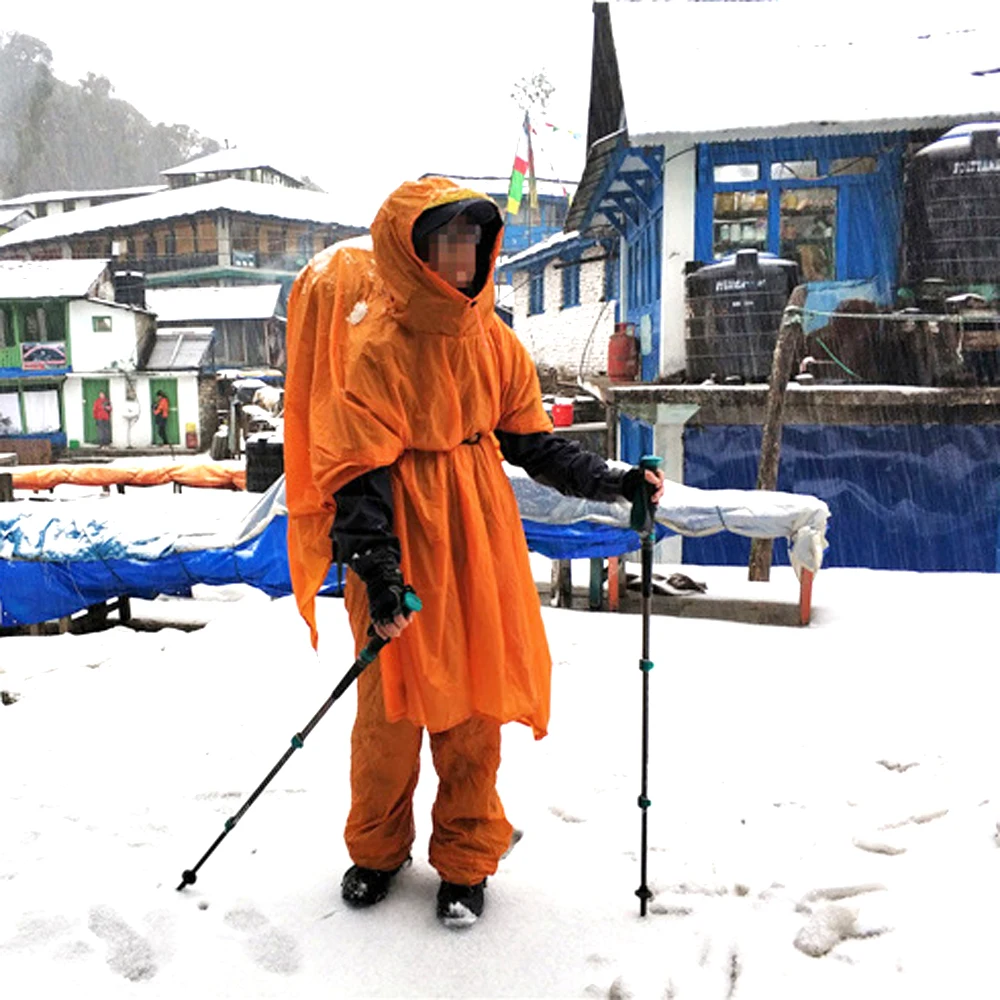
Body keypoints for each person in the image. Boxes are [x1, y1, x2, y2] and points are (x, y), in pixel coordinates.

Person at [284, 177, 663, 929]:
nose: (461, 254)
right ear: (412, 249)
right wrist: (379, 572)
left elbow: (530, 441)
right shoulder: (376, 345)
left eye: (471, 239)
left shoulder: (494, 340)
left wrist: (612, 479)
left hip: (477, 540)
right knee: (389, 715)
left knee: (472, 711)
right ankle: (377, 848)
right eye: (444, 239)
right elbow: (356, 473)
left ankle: (464, 859)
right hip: (400, 535)